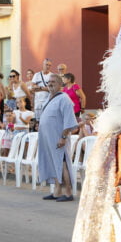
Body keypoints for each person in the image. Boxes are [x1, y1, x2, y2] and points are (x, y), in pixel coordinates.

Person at [38, 73, 78, 202]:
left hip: (58, 138)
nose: (50, 83)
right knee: (53, 163)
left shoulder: (64, 98)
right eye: (49, 82)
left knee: (62, 164)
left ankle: (68, 193)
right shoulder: (49, 98)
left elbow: (69, 120)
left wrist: (63, 137)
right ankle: (57, 191)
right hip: (48, 139)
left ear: (61, 84)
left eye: (54, 82)